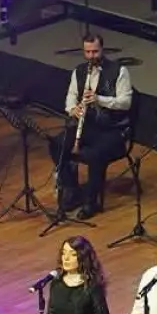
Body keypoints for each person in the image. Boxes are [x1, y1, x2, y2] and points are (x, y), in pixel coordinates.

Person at [49, 34, 133, 219]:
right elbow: (71, 96)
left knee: (94, 155)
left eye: (95, 51)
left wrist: (99, 100)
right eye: (87, 52)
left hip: (112, 129)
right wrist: (73, 109)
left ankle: (92, 202)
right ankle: (72, 189)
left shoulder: (119, 71)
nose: (91, 56)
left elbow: (125, 103)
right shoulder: (79, 71)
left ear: (102, 49)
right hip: (88, 125)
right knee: (56, 144)